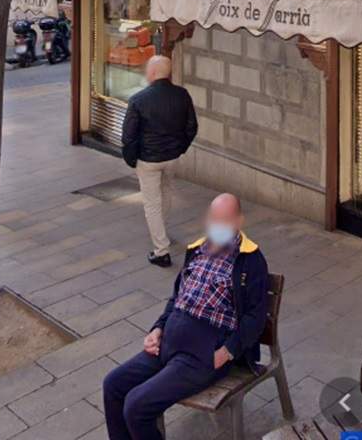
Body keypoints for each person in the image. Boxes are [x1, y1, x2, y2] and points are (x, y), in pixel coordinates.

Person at [101, 194, 269, 440]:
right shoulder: (197, 251)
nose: (218, 226)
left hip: (201, 355)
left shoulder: (250, 260)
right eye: (214, 219)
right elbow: (177, 298)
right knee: (113, 385)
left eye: (225, 221)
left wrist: (226, 353)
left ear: (239, 221)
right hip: (168, 342)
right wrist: (157, 329)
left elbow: (255, 318)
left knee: (137, 407)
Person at [122, 54, 198, 267]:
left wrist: (132, 159)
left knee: (152, 203)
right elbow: (192, 127)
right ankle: (161, 232)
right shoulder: (182, 95)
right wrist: (180, 148)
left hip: (149, 160)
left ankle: (161, 250)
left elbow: (128, 136)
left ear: (153, 73)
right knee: (166, 193)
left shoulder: (138, 100)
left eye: (148, 69)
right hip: (172, 157)